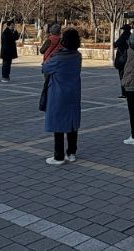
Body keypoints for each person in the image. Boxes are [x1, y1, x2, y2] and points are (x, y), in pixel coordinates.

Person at [42, 29, 82, 165]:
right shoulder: (77, 56)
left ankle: (58, 156)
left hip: (58, 94)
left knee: (58, 123)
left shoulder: (58, 57)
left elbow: (45, 68)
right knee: (72, 122)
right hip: (74, 93)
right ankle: (71, 152)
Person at [113, 24, 132, 98]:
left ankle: (124, 93)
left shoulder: (123, 36)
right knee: (129, 76)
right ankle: (129, 92)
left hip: (122, 59)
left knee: (122, 76)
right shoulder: (131, 36)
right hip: (130, 58)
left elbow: (115, 44)